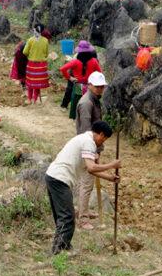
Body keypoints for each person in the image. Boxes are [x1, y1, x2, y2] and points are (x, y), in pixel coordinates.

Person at [45, 121, 120, 254]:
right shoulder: (89, 142)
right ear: (101, 134)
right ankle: (59, 251)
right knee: (67, 217)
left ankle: (62, 246)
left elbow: (90, 170)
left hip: (53, 176)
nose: (103, 143)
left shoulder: (84, 138)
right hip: (60, 178)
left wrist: (109, 177)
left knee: (62, 217)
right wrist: (112, 165)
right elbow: (92, 167)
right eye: (104, 139)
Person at [75, 71, 108, 229]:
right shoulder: (86, 103)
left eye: (102, 87)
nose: (100, 89)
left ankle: (84, 211)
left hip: (93, 147)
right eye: (97, 87)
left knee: (87, 182)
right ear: (89, 85)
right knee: (86, 183)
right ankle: (82, 219)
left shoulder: (95, 100)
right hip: (88, 148)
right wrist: (92, 152)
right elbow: (85, 130)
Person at [59, 41, 102, 119]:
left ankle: (77, 120)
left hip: (78, 86)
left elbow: (62, 69)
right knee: (89, 103)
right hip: (90, 86)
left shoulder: (75, 61)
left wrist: (70, 78)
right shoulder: (94, 61)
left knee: (77, 102)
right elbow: (99, 73)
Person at [23, 24, 50, 104]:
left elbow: (25, 52)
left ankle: (29, 99)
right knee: (38, 83)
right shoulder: (45, 40)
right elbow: (46, 53)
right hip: (42, 65)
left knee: (30, 83)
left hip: (32, 64)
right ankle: (35, 99)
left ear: (35, 30)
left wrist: (31, 55)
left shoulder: (30, 40)